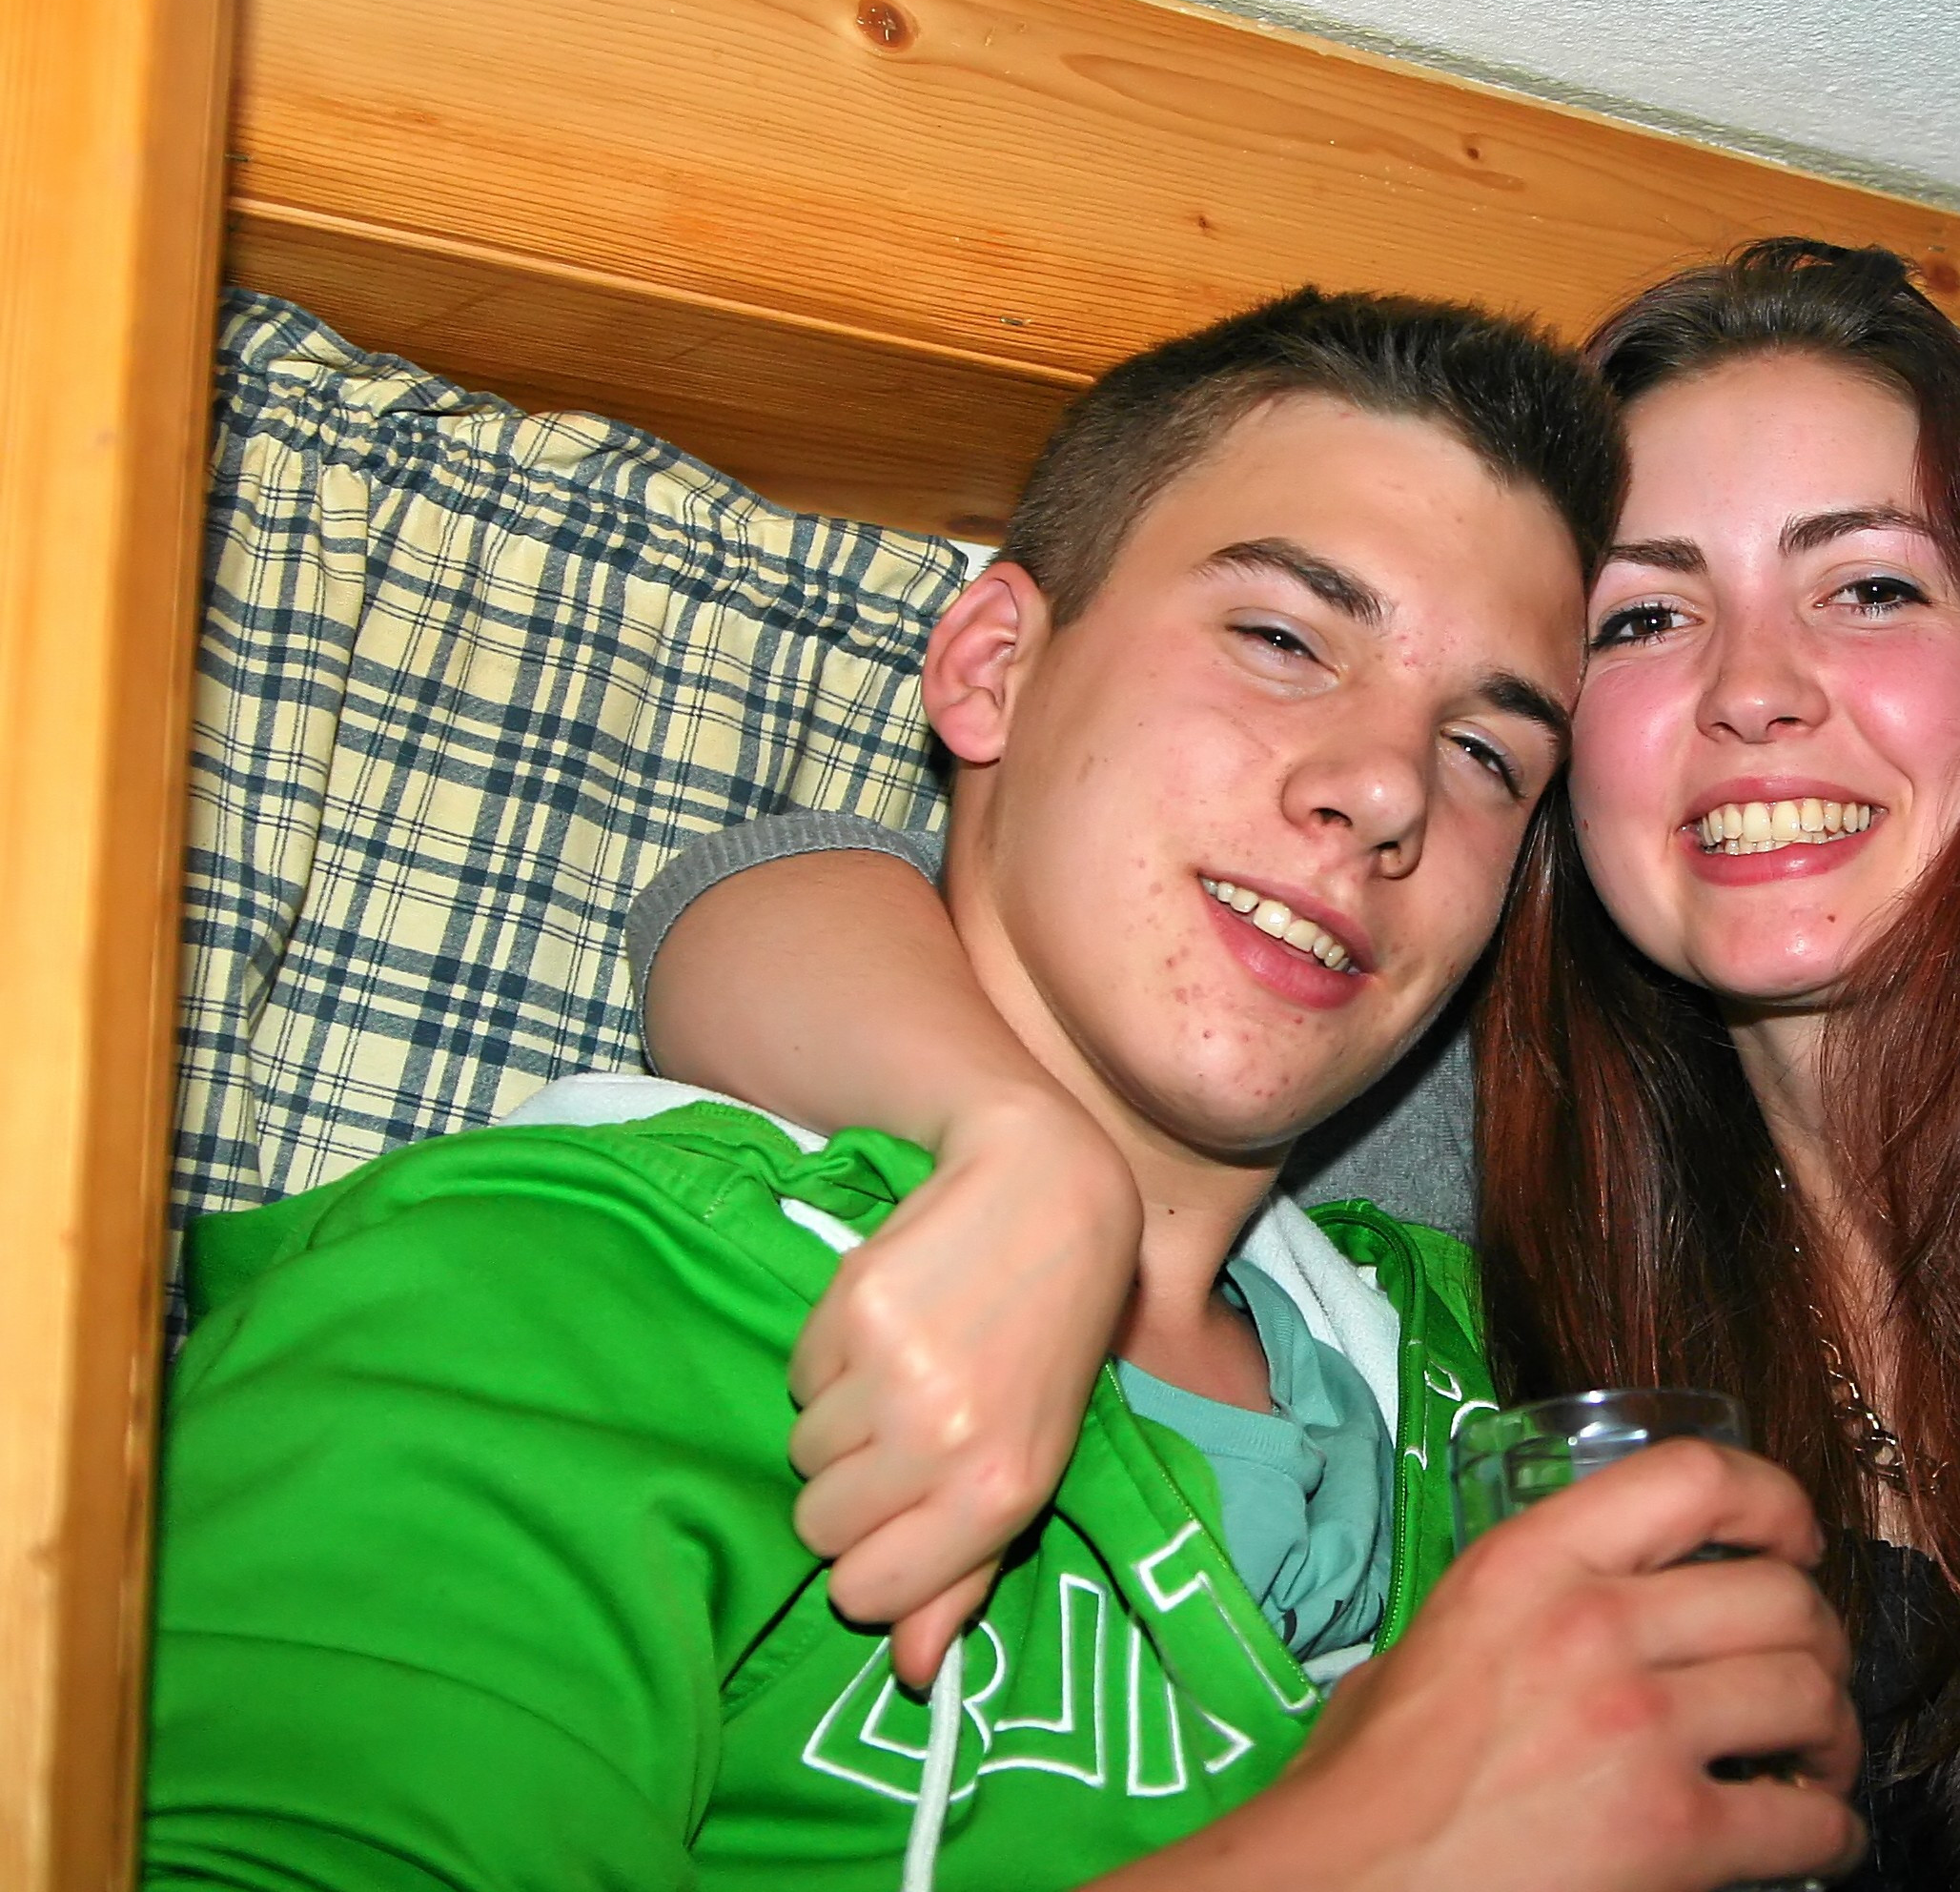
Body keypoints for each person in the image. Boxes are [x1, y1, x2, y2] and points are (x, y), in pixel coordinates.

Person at [645, 244, 1960, 1891]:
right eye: (1648, 623)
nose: (1758, 690)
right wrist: (1022, 1154)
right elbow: (749, 893)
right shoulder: (1450, 1156)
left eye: (1871, 589)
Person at [143, 291, 1864, 1892]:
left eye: (1488, 751)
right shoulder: (549, 1300)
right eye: (1282, 638)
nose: (1385, 788)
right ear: (988, 670)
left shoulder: (1498, 1364)